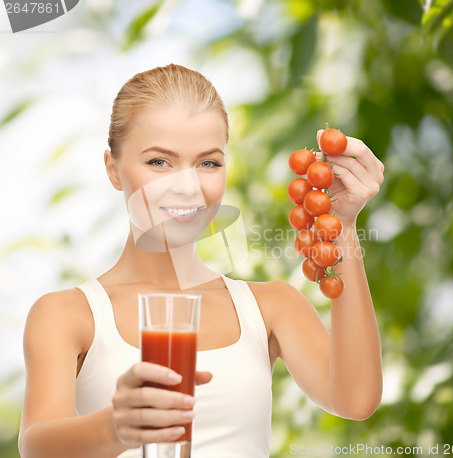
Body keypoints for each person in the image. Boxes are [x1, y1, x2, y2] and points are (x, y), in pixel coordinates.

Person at [18, 64, 385, 458]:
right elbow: (37, 446)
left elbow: (355, 400)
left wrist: (342, 221)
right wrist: (115, 428)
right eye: (159, 162)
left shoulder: (269, 307)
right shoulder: (69, 314)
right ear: (113, 169)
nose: (186, 186)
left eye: (208, 163)